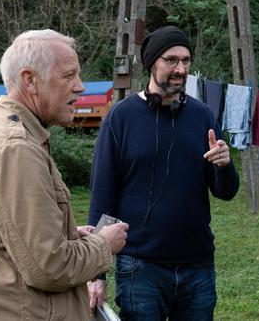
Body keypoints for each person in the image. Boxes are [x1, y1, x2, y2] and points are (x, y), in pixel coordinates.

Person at [0, 29, 129, 320]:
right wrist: (104, 245)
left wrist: (67, 234)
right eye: (69, 76)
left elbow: (1, 233)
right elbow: (48, 268)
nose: (80, 87)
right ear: (30, 80)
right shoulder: (16, 149)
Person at [87, 25, 240, 320]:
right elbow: (103, 195)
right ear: (152, 63)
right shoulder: (121, 118)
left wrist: (224, 165)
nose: (180, 69)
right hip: (140, 267)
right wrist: (97, 272)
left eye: (185, 61)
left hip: (198, 266)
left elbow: (225, 191)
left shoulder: (202, 115)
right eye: (171, 60)